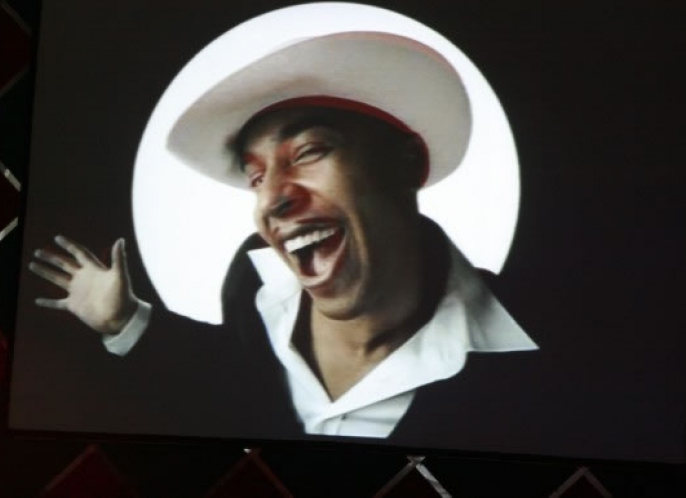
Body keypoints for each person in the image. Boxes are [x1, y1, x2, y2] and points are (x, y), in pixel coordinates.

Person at [29, 31, 538, 442]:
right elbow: (226, 377)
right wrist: (124, 319)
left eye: (309, 152)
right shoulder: (253, 282)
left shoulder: (533, 363)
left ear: (405, 164)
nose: (271, 200)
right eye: (256, 178)